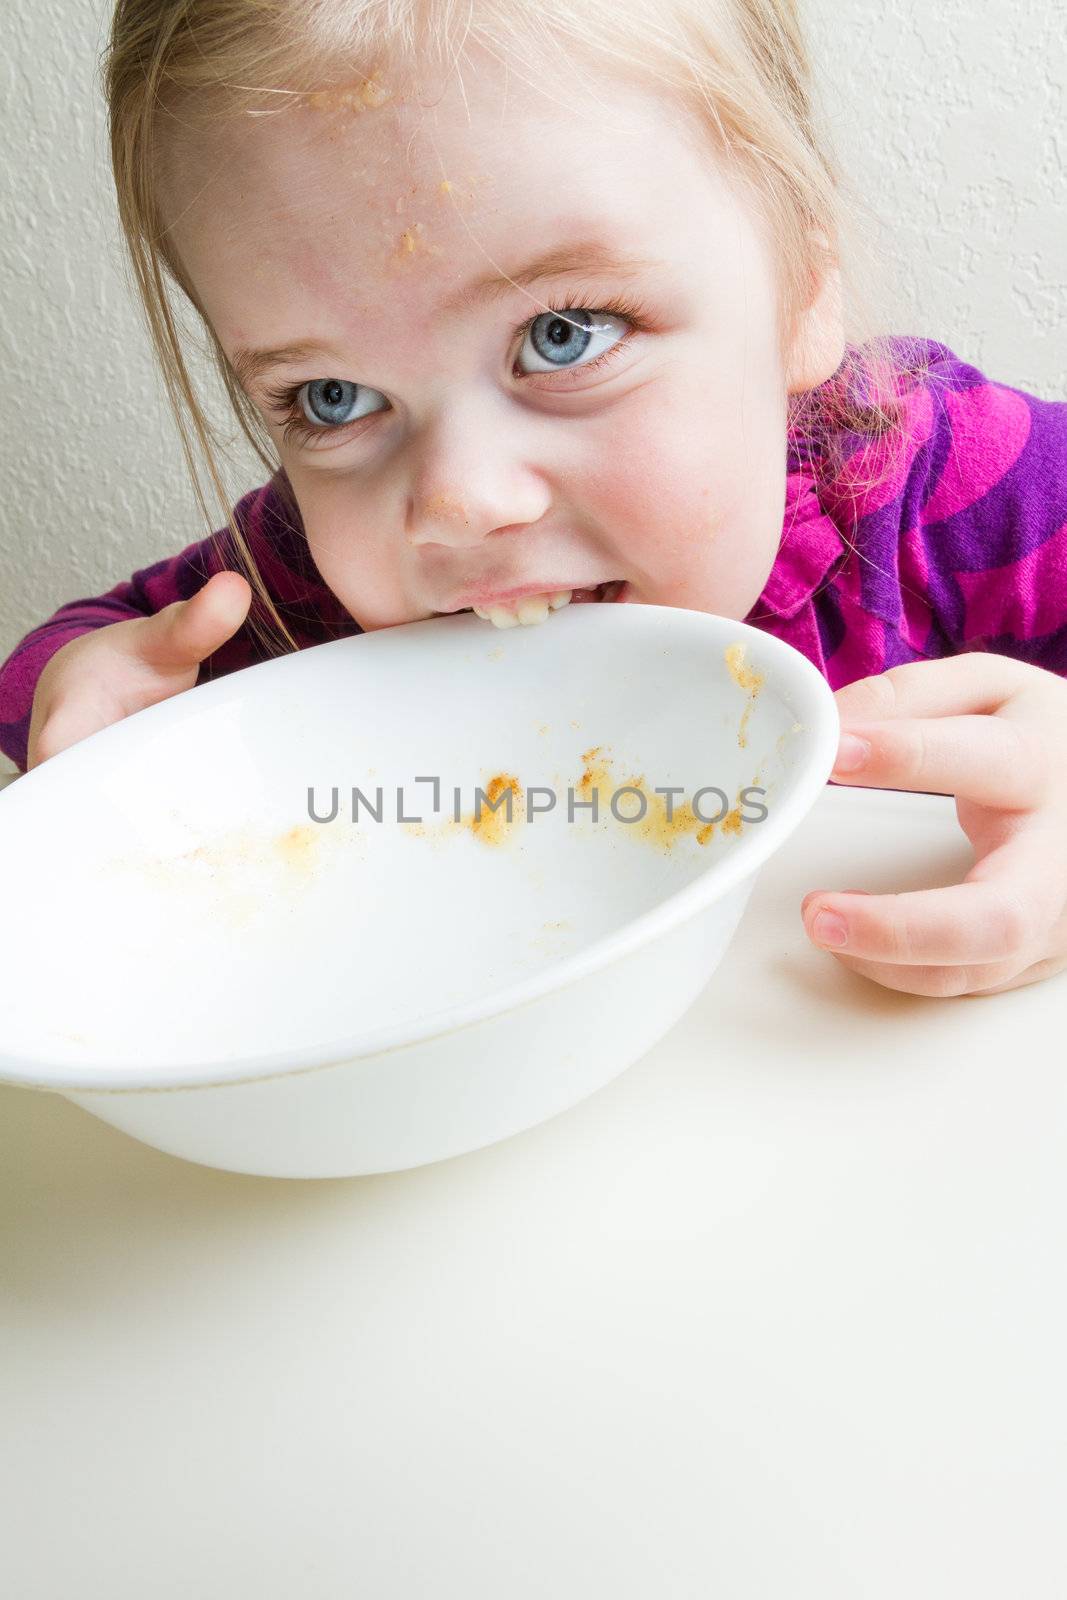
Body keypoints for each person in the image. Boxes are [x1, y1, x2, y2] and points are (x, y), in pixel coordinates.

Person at [1, 0, 1065, 998]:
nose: (458, 501)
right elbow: (82, 655)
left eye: (565, 334)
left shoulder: (956, 485)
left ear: (800, 287)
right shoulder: (300, 581)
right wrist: (90, 706)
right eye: (332, 398)